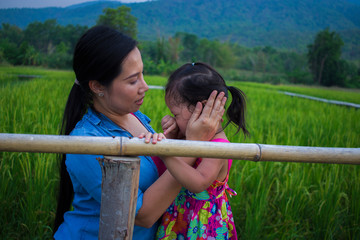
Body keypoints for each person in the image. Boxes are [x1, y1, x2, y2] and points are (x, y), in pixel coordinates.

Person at [53, 26, 226, 239]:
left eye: (142, 74)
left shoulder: (136, 117)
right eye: (133, 80)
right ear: (98, 86)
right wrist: (193, 144)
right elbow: (143, 215)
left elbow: (165, 173)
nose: (144, 86)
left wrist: (173, 139)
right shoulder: (86, 143)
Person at [155, 62, 249, 240]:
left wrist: (166, 151)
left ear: (205, 107)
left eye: (175, 114)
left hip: (202, 228)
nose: (171, 118)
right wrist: (173, 138)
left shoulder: (220, 146)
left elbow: (198, 182)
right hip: (180, 221)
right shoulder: (188, 137)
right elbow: (169, 174)